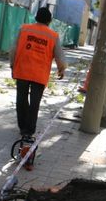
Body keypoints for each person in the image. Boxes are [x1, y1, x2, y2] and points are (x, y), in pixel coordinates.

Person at [10, 7, 66, 139]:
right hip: (39, 75)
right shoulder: (53, 36)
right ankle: (29, 131)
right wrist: (61, 69)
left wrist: (12, 64)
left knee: (21, 100)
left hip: (22, 70)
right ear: (49, 21)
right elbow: (59, 55)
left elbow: (13, 48)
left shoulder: (24, 29)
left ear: (36, 17)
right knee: (35, 103)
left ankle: (22, 127)